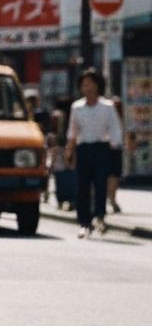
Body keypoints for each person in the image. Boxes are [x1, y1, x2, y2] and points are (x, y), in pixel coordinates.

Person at [65, 68, 122, 239]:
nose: (87, 88)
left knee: (100, 184)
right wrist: (70, 151)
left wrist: (115, 147)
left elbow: (114, 128)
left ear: (97, 86)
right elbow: (73, 131)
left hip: (102, 148)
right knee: (82, 186)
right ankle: (84, 222)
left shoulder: (107, 106)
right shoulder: (77, 107)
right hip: (84, 149)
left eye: (90, 84)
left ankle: (100, 217)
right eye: (84, 85)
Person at [107, 95, 124, 214]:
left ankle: (112, 200)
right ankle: (111, 200)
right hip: (109, 149)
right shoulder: (107, 118)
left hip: (116, 149)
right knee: (111, 176)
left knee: (114, 176)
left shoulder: (121, 119)